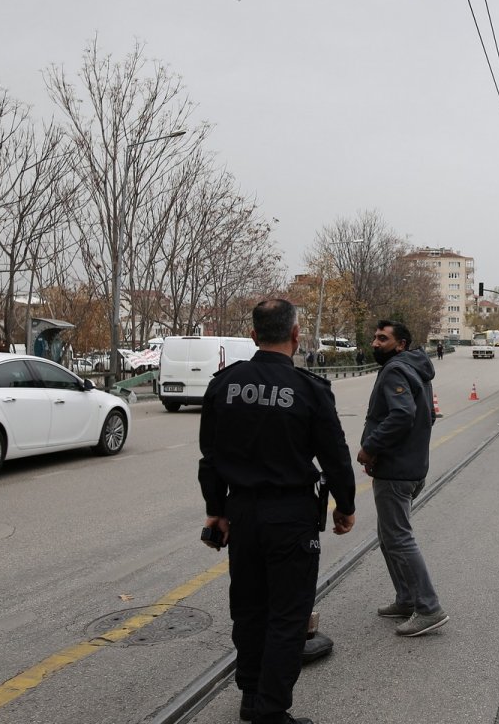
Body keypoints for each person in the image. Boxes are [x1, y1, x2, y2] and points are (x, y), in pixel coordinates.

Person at [199, 299, 356, 724]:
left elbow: (209, 457)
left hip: (242, 515)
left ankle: (252, 697)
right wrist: (346, 505)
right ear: (296, 335)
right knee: (287, 615)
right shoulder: (309, 389)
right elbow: (336, 455)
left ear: (253, 336)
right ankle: (270, 712)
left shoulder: (224, 384)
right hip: (290, 517)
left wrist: (216, 510)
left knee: (249, 609)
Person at [356, 319, 448, 638]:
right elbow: (427, 416)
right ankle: (407, 598)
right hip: (410, 467)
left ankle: (428, 607)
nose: (375, 342)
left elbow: (402, 414)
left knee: (398, 536)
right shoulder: (416, 369)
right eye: (375, 336)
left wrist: (370, 447)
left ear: (401, 344)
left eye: (383, 338)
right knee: (389, 535)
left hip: (396, 471)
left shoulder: (396, 369)